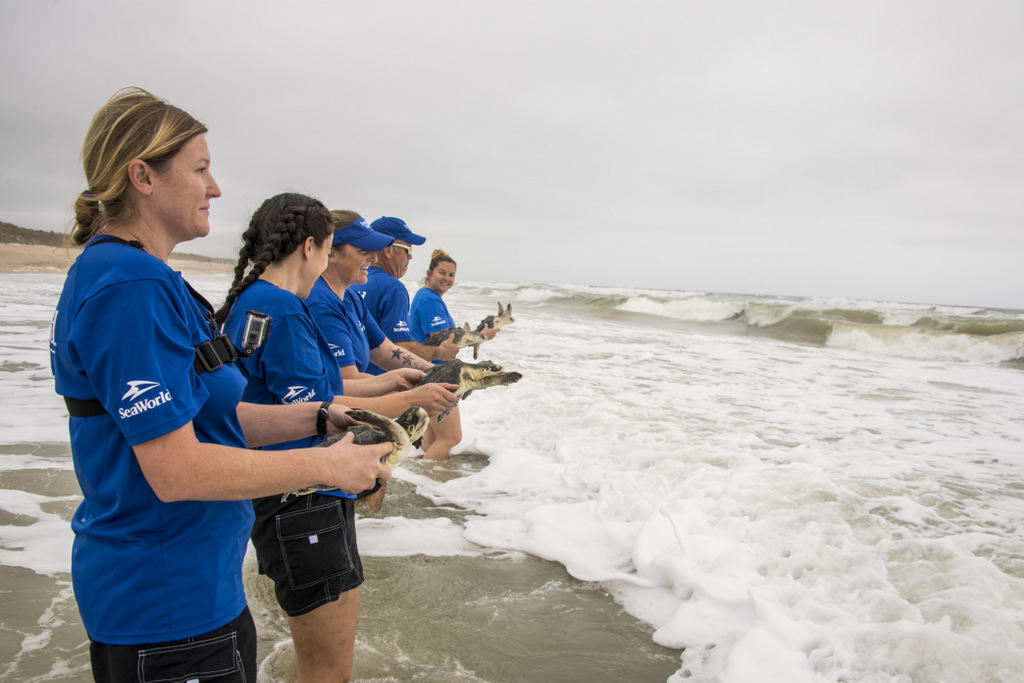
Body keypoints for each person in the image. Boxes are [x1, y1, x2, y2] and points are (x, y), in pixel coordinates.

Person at [50, 88, 391, 683]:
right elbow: (175, 469)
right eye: (200, 169)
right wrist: (328, 467)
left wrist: (316, 418)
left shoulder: (142, 277)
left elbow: (212, 419)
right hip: (167, 606)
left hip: (196, 589)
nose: (216, 188)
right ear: (142, 177)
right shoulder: (129, 286)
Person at [216, 193, 428, 682]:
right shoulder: (285, 310)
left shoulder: (259, 301)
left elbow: (317, 396)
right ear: (312, 247)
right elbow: (310, 414)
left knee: (320, 661)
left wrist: (392, 384)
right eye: (332, 246)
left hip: (285, 489)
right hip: (302, 494)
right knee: (329, 670)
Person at [408, 250, 500, 459]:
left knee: (431, 438)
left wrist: (476, 335)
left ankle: (424, 475)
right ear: (429, 273)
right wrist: (482, 336)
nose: (447, 278)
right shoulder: (429, 300)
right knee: (450, 437)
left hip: (426, 372)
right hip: (437, 375)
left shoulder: (428, 297)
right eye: (442, 272)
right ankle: (435, 478)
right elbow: (445, 342)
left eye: (451, 275)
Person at [351, 216, 459, 374]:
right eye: (407, 249)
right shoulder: (392, 287)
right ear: (388, 250)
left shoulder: (352, 283)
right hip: (381, 383)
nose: (410, 256)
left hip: (352, 381)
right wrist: (438, 353)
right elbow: (400, 347)